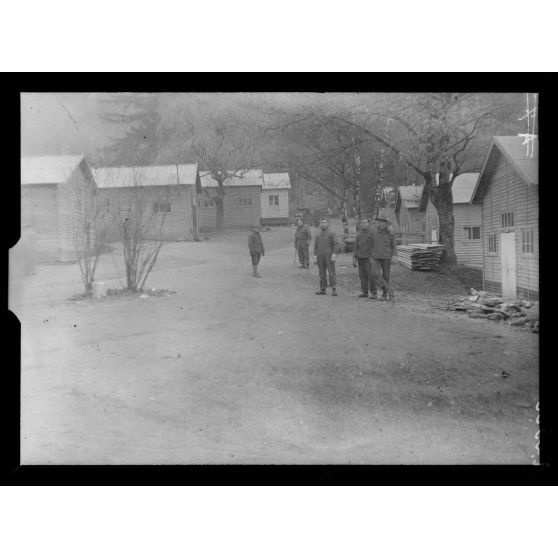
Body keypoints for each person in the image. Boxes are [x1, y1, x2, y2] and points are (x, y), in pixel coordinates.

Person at [370, 218, 397, 301]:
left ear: (386, 224)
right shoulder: (374, 232)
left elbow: (394, 245)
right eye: (378, 223)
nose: (380, 224)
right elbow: (370, 243)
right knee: (374, 274)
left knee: (386, 276)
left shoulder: (390, 233)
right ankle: (388, 289)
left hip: (387, 257)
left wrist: (394, 256)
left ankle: (384, 295)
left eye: (382, 223)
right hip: (376, 257)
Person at [313, 218, 340, 296]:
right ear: (320, 224)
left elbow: (336, 244)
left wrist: (334, 254)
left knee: (331, 272)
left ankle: (334, 289)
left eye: (324, 222)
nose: (323, 223)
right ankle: (322, 289)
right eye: (322, 222)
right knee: (321, 273)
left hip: (329, 256)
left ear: (327, 224)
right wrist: (315, 256)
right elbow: (315, 246)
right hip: (320, 257)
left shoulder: (332, 233)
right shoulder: (318, 235)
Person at [352, 219, 374, 298]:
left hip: (369, 258)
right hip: (360, 258)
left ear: (368, 224)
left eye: (365, 223)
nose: (363, 224)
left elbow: (374, 246)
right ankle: (364, 292)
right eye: (362, 223)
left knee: (371, 276)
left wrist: (372, 257)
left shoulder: (372, 234)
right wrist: (354, 258)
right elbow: (355, 247)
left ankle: (373, 292)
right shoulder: (358, 235)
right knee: (362, 276)